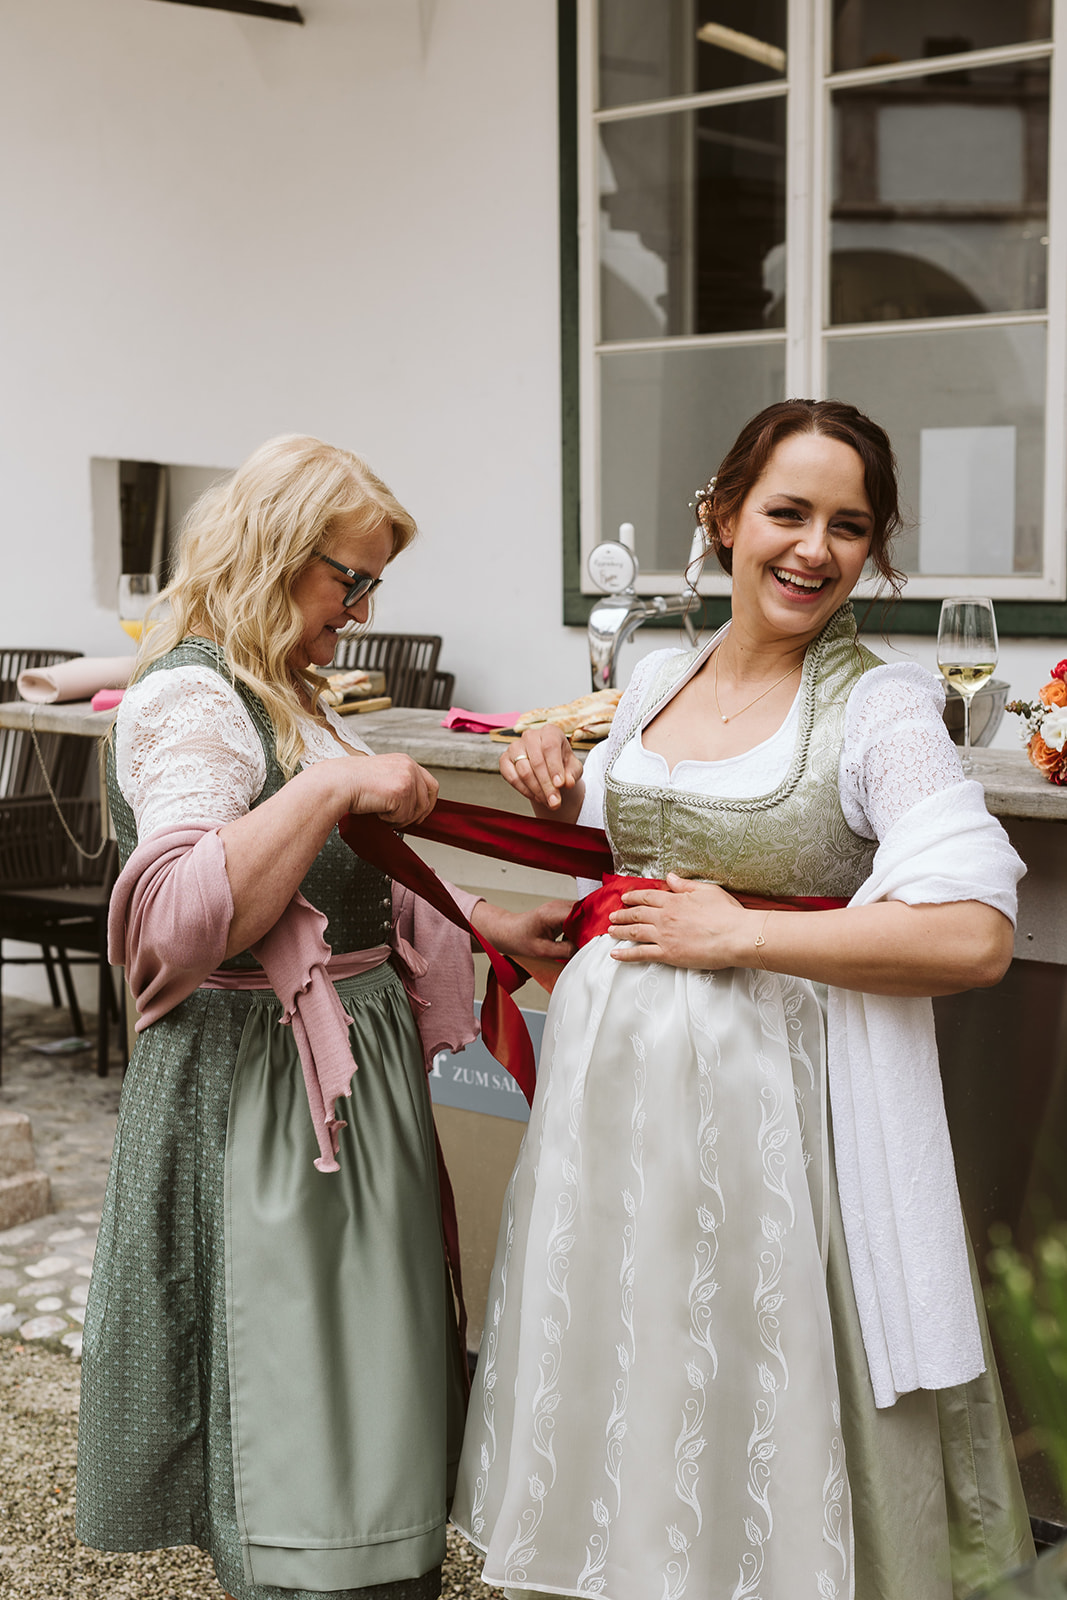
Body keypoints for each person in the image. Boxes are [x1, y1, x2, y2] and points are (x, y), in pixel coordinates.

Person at [451, 400, 1035, 1600]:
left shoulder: (880, 706)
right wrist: (564, 823)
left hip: (773, 1115)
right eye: (785, 511)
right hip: (612, 1106)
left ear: (875, 552)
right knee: (638, 1361)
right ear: (718, 519)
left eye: (848, 524)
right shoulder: (659, 674)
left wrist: (742, 930)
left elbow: (976, 936)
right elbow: (642, 871)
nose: (813, 548)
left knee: (748, 1368)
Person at [75, 434, 570, 1600]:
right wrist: (331, 782)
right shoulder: (193, 698)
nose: (358, 606)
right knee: (300, 1408)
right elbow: (179, 918)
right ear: (271, 553)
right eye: (346, 579)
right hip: (263, 1097)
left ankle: (376, 1570)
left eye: (371, 584)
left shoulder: (285, 683)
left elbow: (345, 878)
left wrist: (483, 923)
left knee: (372, 1389)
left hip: (350, 1077)